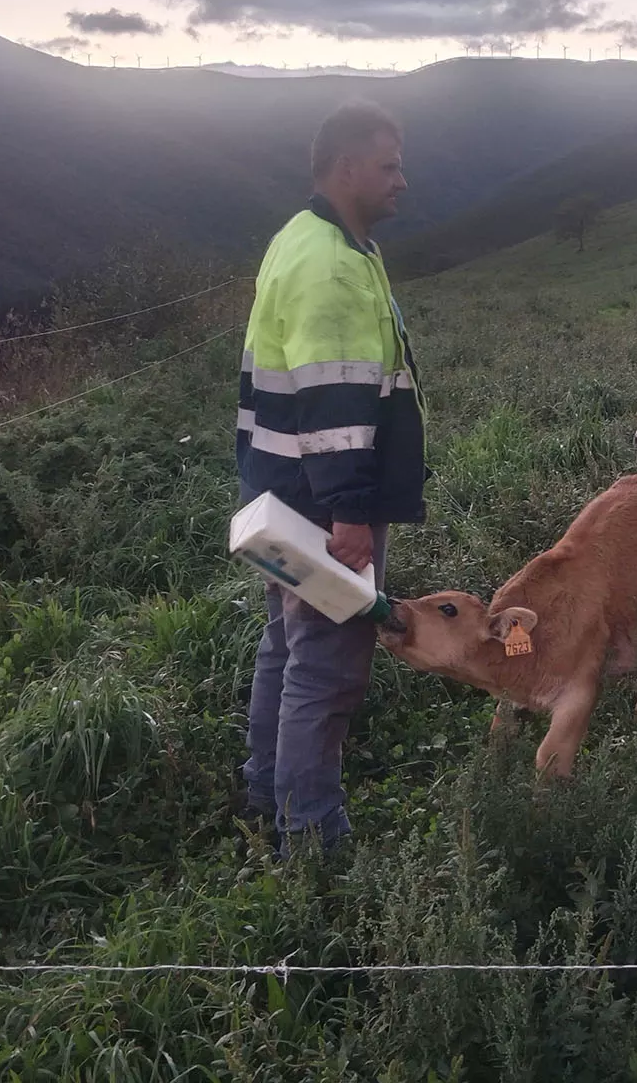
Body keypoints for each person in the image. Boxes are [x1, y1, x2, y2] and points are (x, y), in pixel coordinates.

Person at [235, 100, 425, 855]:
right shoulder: (332, 267)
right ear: (346, 168)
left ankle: (263, 794)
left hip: (280, 488)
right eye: (389, 165)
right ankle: (310, 836)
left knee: (285, 647)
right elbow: (337, 401)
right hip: (324, 503)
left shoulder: (307, 238)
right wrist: (350, 515)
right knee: (328, 665)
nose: (402, 181)